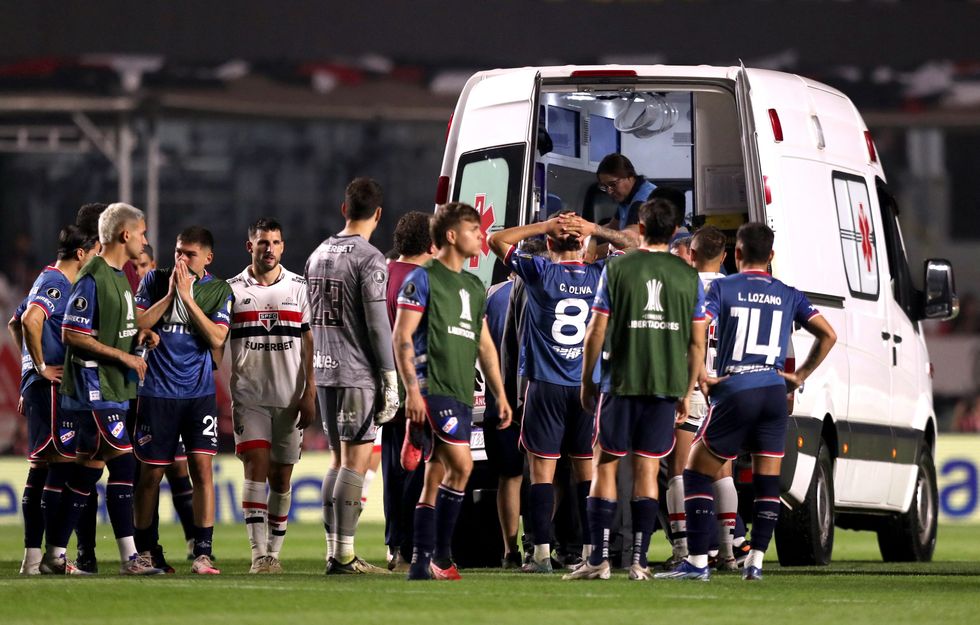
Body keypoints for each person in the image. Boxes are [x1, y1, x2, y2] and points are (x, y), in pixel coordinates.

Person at [656, 222, 836, 582]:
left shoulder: (723, 287)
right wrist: (800, 375)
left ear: (736, 254)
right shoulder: (788, 293)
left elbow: (698, 329)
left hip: (736, 387)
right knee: (767, 482)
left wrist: (699, 377)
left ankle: (696, 561)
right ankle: (754, 560)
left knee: (694, 472)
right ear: (770, 257)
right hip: (773, 390)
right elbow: (829, 335)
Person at [487, 211, 636, 574]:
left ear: (550, 243)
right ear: (583, 244)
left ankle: (539, 555)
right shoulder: (603, 273)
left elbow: (495, 240)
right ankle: (590, 553)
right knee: (589, 473)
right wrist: (595, 230)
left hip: (546, 386)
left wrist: (544, 226)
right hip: (588, 386)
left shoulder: (538, 271)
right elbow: (635, 245)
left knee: (542, 474)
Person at [567, 198, 706, 581]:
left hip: (621, 382)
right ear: (675, 231)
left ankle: (599, 561)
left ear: (640, 230)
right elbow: (697, 343)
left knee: (606, 464)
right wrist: (685, 389)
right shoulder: (687, 276)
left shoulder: (617, 268)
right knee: (648, 469)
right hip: (664, 386)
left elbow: (595, 331)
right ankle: (640, 563)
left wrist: (586, 380)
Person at [393, 202, 513, 581]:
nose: (481, 236)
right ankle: (441, 558)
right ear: (450, 236)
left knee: (435, 476)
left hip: (461, 389)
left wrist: (501, 393)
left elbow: (485, 346)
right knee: (462, 466)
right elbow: (401, 337)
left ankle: (419, 562)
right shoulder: (423, 277)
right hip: (434, 387)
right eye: (473, 229)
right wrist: (412, 392)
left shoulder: (474, 285)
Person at [51, 202, 162, 575]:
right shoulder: (93, 275)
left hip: (115, 387)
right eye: (142, 233)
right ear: (124, 234)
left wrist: (140, 337)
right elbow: (72, 333)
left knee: (86, 473)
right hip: (92, 386)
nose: (145, 240)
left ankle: (53, 555)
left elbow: (120, 329)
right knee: (124, 462)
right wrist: (126, 358)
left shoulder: (120, 277)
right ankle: (131, 559)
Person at [305, 177, 399, 575]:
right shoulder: (370, 258)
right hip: (357, 372)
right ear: (378, 214)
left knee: (337, 460)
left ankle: (334, 550)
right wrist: (390, 378)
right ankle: (344, 555)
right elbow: (378, 326)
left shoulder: (316, 254)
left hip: (325, 370)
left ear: (345, 209)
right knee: (355, 463)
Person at [132, 226, 232, 575]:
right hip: (156, 393)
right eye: (178, 251)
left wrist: (188, 299)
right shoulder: (154, 282)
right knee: (150, 476)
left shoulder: (219, 290)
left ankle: (202, 551)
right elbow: (137, 323)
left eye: (189, 253)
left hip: (199, 394)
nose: (181, 259)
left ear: (207, 257)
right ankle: (146, 551)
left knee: (202, 470)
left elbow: (218, 336)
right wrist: (172, 294)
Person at [7, 224, 100, 574]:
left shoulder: (43, 278)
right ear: (81, 253)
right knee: (60, 467)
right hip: (51, 387)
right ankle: (52, 558)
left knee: (41, 467)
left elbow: (14, 324)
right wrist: (42, 367)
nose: (95, 259)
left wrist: (28, 371)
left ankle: (33, 559)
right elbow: (30, 320)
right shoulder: (58, 283)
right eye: (93, 253)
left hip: (38, 386)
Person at [228, 218, 316, 574]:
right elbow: (218, 340)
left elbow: (310, 341)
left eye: (276, 243)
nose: (270, 249)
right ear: (250, 247)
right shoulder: (231, 290)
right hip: (249, 397)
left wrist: (310, 390)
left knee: (281, 478)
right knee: (256, 467)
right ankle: (258, 554)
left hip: (291, 397)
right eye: (263, 242)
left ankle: (274, 553)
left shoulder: (299, 287)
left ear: (283, 247)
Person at [664, 226, 740, 568]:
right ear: (724, 256)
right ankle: (726, 552)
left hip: (691, 384)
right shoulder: (735, 290)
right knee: (722, 470)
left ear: (690, 256)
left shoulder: (681, 289)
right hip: (727, 388)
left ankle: (684, 551)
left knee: (679, 469)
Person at [382, 211, 432, 571]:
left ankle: (394, 544)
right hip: (413, 385)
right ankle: (411, 546)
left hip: (383, 387)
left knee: (392, 470)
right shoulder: (421, 279)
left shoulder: (380, 273)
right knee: (416, 469)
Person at [595, 153, 655, 242]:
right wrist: (585, 232)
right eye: (605, 186)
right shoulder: (627, 197)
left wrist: (593, 229)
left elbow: (630, 240)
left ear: (630, 177)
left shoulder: (642, 201)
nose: (609, 191)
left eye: (613, 184)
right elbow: (612, 227)